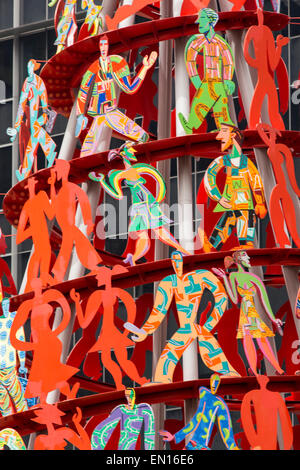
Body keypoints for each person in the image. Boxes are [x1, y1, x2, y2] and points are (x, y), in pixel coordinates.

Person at [125, 251, 239, 383]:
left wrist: (209, 324)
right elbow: (159, 310)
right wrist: (145, 331)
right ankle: (162, 381)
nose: (177, 264)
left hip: (196, 327)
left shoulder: (201, 276)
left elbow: (221, 297)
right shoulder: (169, 282)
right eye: (174, 260)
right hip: (186, 328)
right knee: (170, 355)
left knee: (204, 347)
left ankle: (229, 372)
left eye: (180, 260)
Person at [89, 142, 190, 266]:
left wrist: (102, 181)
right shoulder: (125, 174)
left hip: (144, 205)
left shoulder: (128, 173)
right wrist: (102, 181)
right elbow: (120, 193)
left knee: (150, 234)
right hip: (144, 205)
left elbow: (157, 180)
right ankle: (137, 257)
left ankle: (134, 257)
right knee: (154, 232)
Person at [76, 35, 157, 157]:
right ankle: (89, 165)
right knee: (87, 150)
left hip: (109, 111)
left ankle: (133, 148)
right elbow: (83, 91)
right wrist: (80, 116)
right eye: (101, 45)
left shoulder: (117, 63)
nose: (103, 48)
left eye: (105, 45)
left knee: (140, 135)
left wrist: (145, 68)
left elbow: (130, 88)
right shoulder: (93, 68)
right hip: (98, 113)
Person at [70, 265, 149, 389]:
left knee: (116, 360)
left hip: (109, 334)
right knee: (113, 360)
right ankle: (129, 382)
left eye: (100, 277)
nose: (99, 279)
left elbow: (110, 319)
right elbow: (86, 322)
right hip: (107, 334)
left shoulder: (107, 297)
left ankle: (134, 381)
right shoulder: (105, 297)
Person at [213, 250, 284, 376]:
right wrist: (225, 278)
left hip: (251, 311)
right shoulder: (234, 276)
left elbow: (265, 300)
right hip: (245, 312)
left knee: (261, 339)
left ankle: (278, 369)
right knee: (249, 340)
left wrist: (273, 319)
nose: (249, 258)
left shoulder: (253, 278)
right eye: (246, 256)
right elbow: (234, 299)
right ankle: (255, 372)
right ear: (239, 259)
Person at [10, 278, 78, 403]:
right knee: (49, 375)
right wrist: (28, 345)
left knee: (47, 375)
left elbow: (67, 313)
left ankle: (48, 402)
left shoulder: (45, 299)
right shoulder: (27, 305)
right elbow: (13, 334)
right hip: (43, 343)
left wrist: (54, 333)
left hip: (48, 342)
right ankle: (64, 397)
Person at [202, 123, 267, 252]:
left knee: (244, 220)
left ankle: (246, 244)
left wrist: (260, 202)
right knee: (225, 223)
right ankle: (213, 246)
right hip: (231, 203)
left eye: (224, 131)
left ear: (233, 135)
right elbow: (209, 175)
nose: (219, 137)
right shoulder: (224, 160)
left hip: (244, 204)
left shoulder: (245, 162)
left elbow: (256, 181)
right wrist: (218, 197)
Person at [178, 8, 235, 134]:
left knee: (218, 107)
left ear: (210, 21)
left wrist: (227, 80)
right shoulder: (198, 41)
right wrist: (196, 80)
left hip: (217, 83)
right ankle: (192, 125)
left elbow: (228, 61)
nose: (198, 22)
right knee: (201, 104)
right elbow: (190, 59)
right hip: (208, 81)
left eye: (202, 19)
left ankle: (222, 128)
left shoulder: (220, 43)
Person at [49, 159, 102, 283]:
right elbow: (51, 210)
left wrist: (88, 221)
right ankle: (93, 267)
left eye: (61, 171)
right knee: (77, 243)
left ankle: (58, 276)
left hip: (69, 224)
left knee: (74, 244)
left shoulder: (70, 188)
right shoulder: (59, 191)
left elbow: (84, 201)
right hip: (66, 224)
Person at [6, 59, 57, 181]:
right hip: (34, 119)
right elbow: (21, 106)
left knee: (32, 142)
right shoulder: (26, 83)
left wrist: (44, 117)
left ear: (33, 67)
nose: (29, 67)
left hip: (39, 117)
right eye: (29, 64)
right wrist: (16, 128)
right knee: (32, 144)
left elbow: (45, 104)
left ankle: (25, 171)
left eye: (31, 65)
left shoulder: (38, 82)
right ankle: (49, 151)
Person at [160, 374, 239, 450]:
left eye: (217, 382)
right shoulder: (204, 395)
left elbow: (225, 428)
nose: (214, 385)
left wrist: (233, 447)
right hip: (194, 444)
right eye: (213, 381)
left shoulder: (219, 403)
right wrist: (175, 437)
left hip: (198, 445)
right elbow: (195, 422)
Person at [243, 7, 289, 130]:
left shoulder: (267, 31)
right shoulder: (252, 30)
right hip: (263, 78)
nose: (260, 15)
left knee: (270, 111)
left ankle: (281, 134)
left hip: (266, 79)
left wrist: (279, 47)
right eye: (258, 13)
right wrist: (255, 62)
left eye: (261, 13)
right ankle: (256, 130)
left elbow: (273, 64)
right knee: (256, 110)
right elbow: (246, 52)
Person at [257, 123, 300, 248]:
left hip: (283, 186)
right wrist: (266, 129)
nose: (271, 138)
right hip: (277, 188)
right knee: (277, 218)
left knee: (291, 218)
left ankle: (296, 241)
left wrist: (296, 189)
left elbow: (290, 170)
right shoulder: (271, 149)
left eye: (273, 135)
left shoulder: (282, 148)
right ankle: (283, 243)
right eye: (270, 136)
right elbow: (260, 130)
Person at [16, 177, 55, 292]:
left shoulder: (41, 197)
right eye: (30, 185)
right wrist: (32, 229)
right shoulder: (27, 207)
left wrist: (52, 187)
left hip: (44, 247)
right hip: (38, 249)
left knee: (45, 282)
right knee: (31, 285)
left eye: (33, 184)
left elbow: (51, 213)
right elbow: (19, 238)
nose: (32, 187)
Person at [241, 374, 293, 450]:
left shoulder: (274, 395)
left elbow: (284, 418)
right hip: (263, 432)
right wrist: (253, 441)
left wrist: (287, 443)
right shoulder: (252, 395)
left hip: (269, 431)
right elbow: (246, 417)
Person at [0, 298, 28, 417]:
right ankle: (9, 423)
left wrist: (22, 364)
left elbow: (20, 343)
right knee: (2, 398)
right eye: (3, 305)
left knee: (16, 394)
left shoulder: (14, 321)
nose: (5, 307)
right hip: (2, 366)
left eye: (7, 305)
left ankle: (24, 417)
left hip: (9, 365)